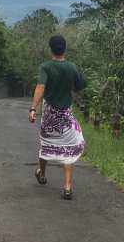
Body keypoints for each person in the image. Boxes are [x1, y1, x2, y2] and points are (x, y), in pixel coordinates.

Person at [28, 34, 86, 199]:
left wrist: (33, 108)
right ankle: (67, 187)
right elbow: (80, 86)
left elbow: (40, 87)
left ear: (51, 49)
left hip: (49, 114)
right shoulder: (72, 67)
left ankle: (42, 173)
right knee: (68, 146)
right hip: (65, 114)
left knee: (46, 143)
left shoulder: (46, 67)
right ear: (65, 48)